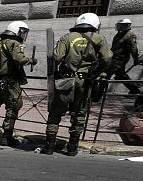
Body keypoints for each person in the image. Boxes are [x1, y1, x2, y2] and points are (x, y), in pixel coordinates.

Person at [43, 12, 111, 156]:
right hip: (85, 81)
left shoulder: (67, 37)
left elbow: (56, 57)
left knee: (55, 112)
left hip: (65, 80)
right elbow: (106, 58)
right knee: (79, 113)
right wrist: (95, 73)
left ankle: (49, 146)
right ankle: (72, 147)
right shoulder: (99, 39)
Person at [0, 21, 36, 147]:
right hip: (9, 82)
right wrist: (31, 61)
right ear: (17, 31)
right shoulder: (14, 43)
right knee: (13, 107)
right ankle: (6, 136)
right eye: (22, 32)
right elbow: (19, 59)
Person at [106, 18, 140, 97]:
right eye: (119, 25)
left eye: (121, 25)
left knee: (106, 74)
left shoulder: (130, 35)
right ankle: (135, 90)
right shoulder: (118, 34)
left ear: (127, 26)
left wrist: (136, 59)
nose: (119, 27)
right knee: (121, 75)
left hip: (120, 59)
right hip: (114, 58)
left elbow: (133, 48)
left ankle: (98, 94)